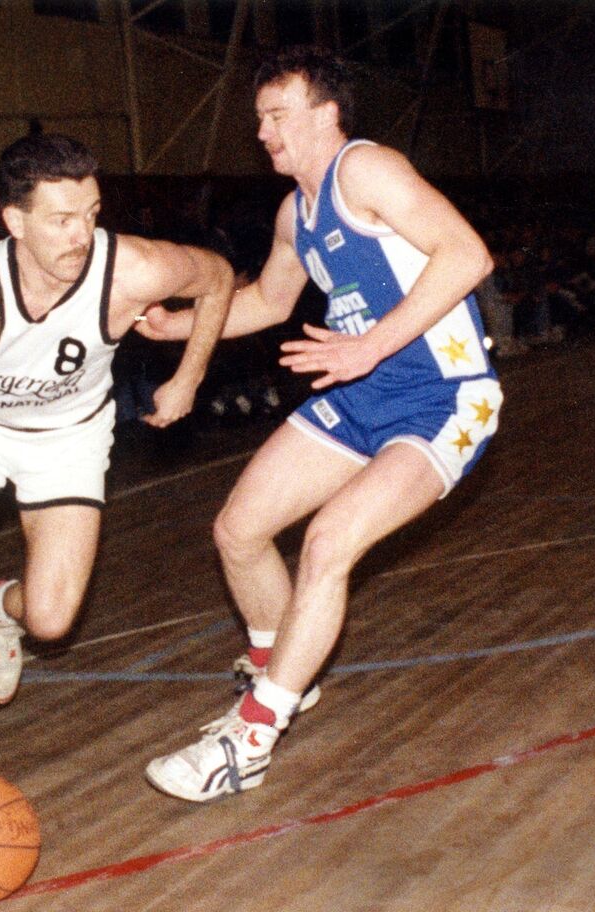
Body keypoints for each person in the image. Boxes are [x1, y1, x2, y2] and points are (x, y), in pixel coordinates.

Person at [140, 46, 502, 802]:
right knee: (239, 530)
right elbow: (270, 302)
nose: (264, 132)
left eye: (278, 115)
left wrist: (370, 344)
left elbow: (467, 254)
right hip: (362, 390)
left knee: (331, 541)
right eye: (260, 118)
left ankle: (253, 735)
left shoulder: (367, 170)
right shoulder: (293, 213)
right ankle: (282, 680)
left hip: (444, 397)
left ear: (327, 114)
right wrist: (177, 326)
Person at [0, 132, 233, 782]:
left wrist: (189, 375)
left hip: (68, 436)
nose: (81, 234)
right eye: (61, 220)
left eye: (90, 213)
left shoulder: (130, 267)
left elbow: (218, 279)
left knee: (53, 620)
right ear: (14, 220)